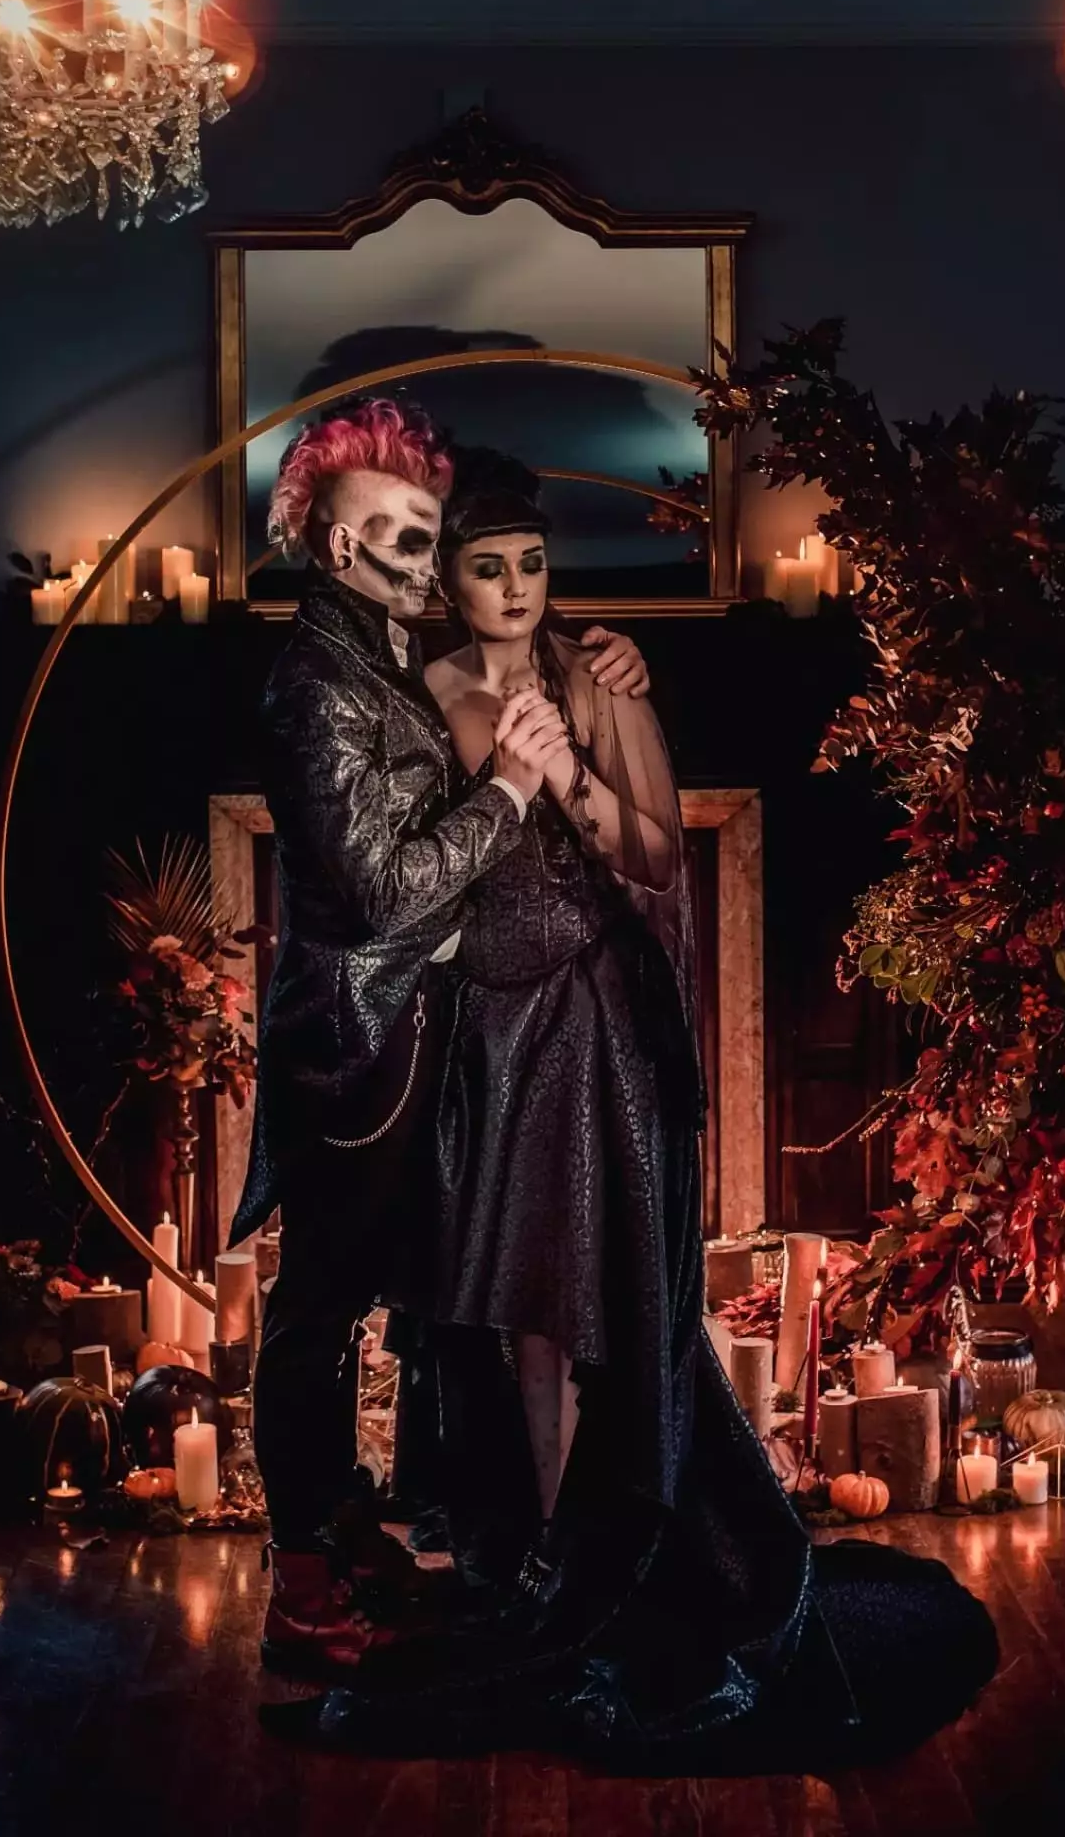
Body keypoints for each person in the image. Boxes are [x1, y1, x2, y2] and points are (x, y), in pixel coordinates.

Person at [395, 444, 840, 1744]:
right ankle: (539, 1557)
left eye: (533, 563)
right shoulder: (417, 697)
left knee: (594, 1296)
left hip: (590, 1031)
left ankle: (617, 1553)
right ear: (448, 583)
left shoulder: (600, 677)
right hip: (484, 1026)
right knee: (515, 1308)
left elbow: (654, 851)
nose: (519, 588)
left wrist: (570, 772)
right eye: (490, 569)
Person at [234, 399, 649, 1676]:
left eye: (434, 536)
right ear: (339, 549)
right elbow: (382, 890)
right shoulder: (316, 682)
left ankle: (377, 1533)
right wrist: (517, 786)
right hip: (357, 1053)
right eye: (403, 538)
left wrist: (601, 668)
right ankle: (305, 1582)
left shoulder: (375, 656)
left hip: (417, 1039)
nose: (428, 560)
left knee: (402, 1303)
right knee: (316, 1316)